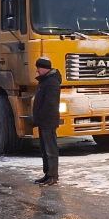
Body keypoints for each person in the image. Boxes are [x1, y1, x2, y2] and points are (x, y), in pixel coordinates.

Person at [31, 57, 62, 185]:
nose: (37, 70)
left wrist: (42, 117)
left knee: (50, 150)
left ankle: (53, 176)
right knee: (44, 149)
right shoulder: (45, 81)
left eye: (38, 67)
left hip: (48, 121)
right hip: (43, 121)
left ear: (45, 68)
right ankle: (47, 174)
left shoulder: (52, 82)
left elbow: (50, 104)